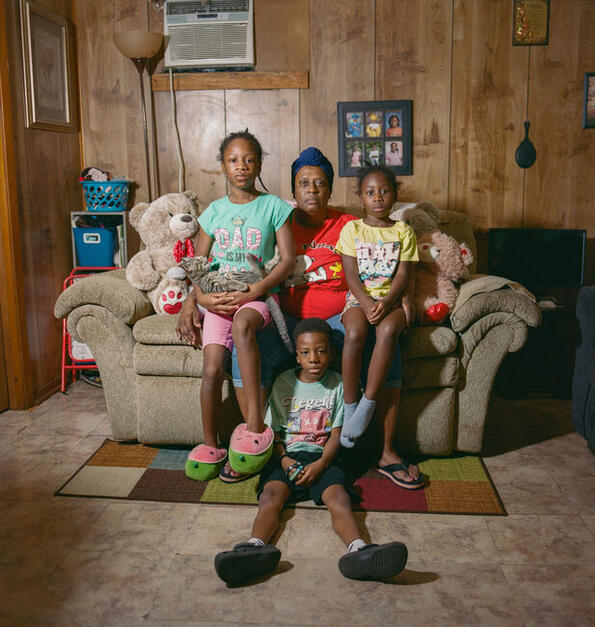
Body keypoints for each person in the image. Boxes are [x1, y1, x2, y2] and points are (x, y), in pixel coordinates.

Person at [239, 147, 423, 489]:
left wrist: (407, 296)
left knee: (384, 337)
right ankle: (257, 446)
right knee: (250, 340)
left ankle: (385, 452)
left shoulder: (350, 225)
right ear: (293, 190)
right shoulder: (279, 221)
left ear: (331, 190)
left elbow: (392, 264)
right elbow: (241, 257)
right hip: (288, 319)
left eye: (320, 183)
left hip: (339, 317)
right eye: (303, 183)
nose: (311, 190)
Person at [213, 318, 408, 586]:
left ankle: (359, 550)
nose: (313, 359)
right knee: (270, 497)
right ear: (297, 356)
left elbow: (337, 433)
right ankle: (253, 547)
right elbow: (273, 432)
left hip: (322, 457)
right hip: (287, 456)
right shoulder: (283, 383)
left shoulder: (339, 384)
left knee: (339, 498)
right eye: (305, 353)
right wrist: (284, 460)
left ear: (332, 353)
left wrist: (322, 464)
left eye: (321, 351)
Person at [176, 130, 296, 482]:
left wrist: (254, 290)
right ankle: (211, 444)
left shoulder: (274, 207)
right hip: (216, 301)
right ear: (223, 166)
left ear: (258, 165)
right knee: (212, 369)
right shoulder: (214, 212)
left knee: (243, 326)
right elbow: (198, 264)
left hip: (256, 298)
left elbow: (288, 260)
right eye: (233, 160)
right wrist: (200, 298)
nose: (241, 166)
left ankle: (255, 427)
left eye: (248, 160)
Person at [336, 165, 422, 491]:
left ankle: (367, 405)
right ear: (361, 197)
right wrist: (366, 301)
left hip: (392, 301)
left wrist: (386, 302)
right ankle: (351, 407)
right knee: (355, 333)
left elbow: (403, 275)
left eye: (384, 191)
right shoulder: (352, 230)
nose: (378, 198)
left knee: (387, 332)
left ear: (395, 195)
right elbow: (351, 275)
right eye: (370, 192)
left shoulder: (403, 231)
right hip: (359, 299)